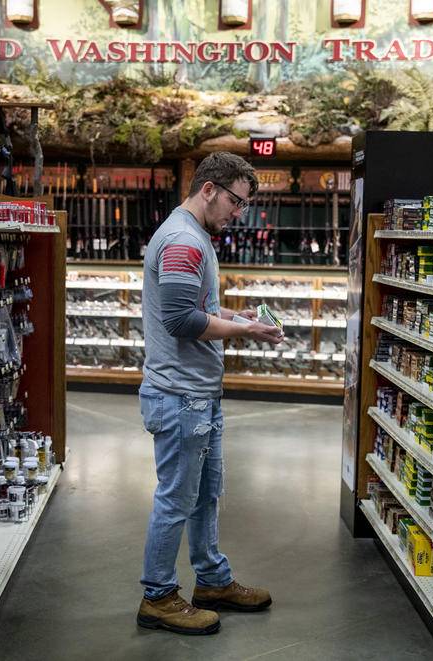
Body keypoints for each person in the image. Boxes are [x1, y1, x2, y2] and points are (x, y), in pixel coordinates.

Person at [136, 152, 284, 635]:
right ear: (208, 189)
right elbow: (181, 321)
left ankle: (212, 581)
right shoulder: (183, 240)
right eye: (236, 202)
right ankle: (157, 597)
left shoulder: (194, 236)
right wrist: (245, 334)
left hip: (198, 394)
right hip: (181, 396)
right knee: (177, 499)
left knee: (204, 496)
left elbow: (200, 307)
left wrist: (243, 321)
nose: (239, 214)